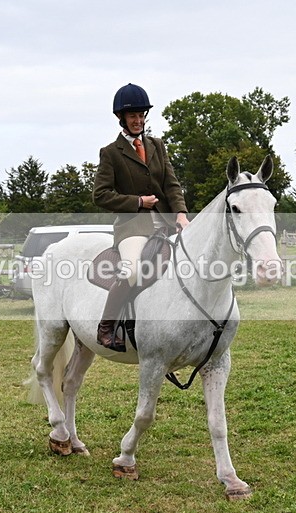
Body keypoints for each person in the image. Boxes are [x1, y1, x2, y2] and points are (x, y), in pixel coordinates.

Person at [92, 83, 189, 352]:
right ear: (121, 118)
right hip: (133, 228)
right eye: (133, 116)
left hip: (166, 224)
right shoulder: (111, 153)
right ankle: (106, 327)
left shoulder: (157, 146)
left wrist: (180, 213)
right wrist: (137, 202)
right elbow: (100, 195)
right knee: (132, 270)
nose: (138, 120)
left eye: (142, 115)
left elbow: (172, 184)